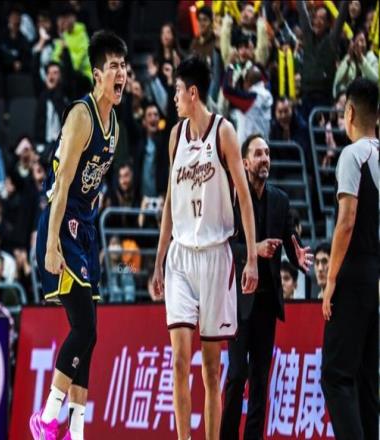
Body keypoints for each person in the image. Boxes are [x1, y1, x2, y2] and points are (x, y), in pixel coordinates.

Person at [151, 55, 259, 440]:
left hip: (216, 255)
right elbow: (170, 201)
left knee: (211, 370)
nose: (174, 98)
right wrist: (158, 260)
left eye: (178, 91)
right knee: (179, 362)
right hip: (181, 257)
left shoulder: (224, 132)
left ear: (193, 93)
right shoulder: (175, 136)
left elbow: (244, 199)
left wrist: (251, 259)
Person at [30, 30, 127, 440]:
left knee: (90, 333)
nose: (122, 74)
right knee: (84, 328)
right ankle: (47, 417)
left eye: (125, 66)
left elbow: (94, 183)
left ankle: (76, 430)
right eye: (114, 67)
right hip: (61, 221)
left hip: (84, 227)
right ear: (97, 75)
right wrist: (52, 244)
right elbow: (63, 184)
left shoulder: (114, 124)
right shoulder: (81, 116)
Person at [220, 134, 312, 439]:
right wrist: (254, 249)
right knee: (237, 375)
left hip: (267, 303)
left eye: (268, 153)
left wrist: (298, 257)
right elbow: (222, 247)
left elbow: (290, 242)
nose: (265, 159)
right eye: (258, 154)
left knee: (260, 380)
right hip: (238, 301)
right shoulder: (232, 198)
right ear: (245, 162)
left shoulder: (281, 200)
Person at [321, 77, 379, 440]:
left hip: (354, 271)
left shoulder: (353, 154)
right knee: (366, 379)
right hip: (374, 274)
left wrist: (330, 281)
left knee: (335, 376)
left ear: (350, 113)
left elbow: (346, 221)